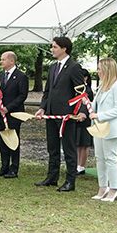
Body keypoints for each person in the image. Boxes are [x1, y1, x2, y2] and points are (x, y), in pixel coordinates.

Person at [35, 36, 82, 191]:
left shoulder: (74, 67)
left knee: (68, 148)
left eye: (55, 47)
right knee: (52, 147)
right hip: (51, 113)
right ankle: (52, 177)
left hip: (67, 115)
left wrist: (79, 112)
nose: (52, 49)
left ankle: (70, 181)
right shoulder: (53, 67)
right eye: (52, 46)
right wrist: (43, 107)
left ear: (64, 49)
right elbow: (48, 90)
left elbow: (81, 92)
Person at [82, 57, 117, 202]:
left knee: (110, 158)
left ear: (107, 69)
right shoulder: (102, 87)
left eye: (99, 68)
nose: (97, 71)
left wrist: (100, 115)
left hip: (113, 128)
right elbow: (96, 107)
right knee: (100, 158)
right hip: (99, 128)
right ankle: (103, 187)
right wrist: (87, 103)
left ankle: (114, 189)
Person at [0, 51, 29, 178]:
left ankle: (14, 168)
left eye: (3, 59)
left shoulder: (21, 76)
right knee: (2, 141)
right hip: (1, 114)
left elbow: (22, 95)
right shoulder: (1, 76)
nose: (1, 62)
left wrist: (8, 108)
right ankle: (4, 167)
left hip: (13, 114)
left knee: (13, 141)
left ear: (11, 61)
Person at [75, 67, 93, 176]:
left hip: (84, 120)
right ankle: (76, 164)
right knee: (77, 143)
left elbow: (87, 104)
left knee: (84, 144)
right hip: (75, 119)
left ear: (86, 78)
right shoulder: (77, 89)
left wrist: (83, 114)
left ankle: (81, 166)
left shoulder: (88, 90)